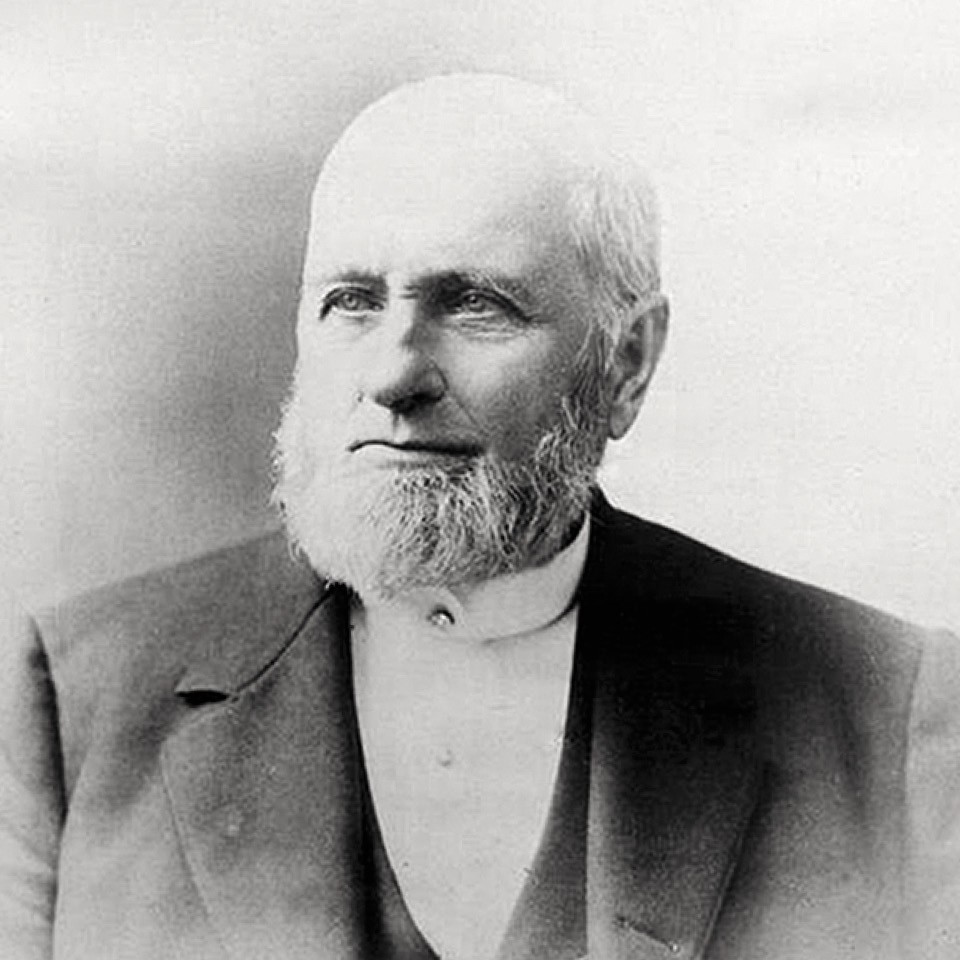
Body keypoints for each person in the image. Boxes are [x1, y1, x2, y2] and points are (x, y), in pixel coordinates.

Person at [1, 73, 958, 960]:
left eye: (475, 306)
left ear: (627, 361)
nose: (392, 376)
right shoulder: (72, 703)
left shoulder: (888, 715)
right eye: (351, 302)